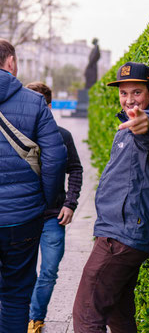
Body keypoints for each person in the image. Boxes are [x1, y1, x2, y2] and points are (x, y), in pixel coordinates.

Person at [73, 62, 149, 333]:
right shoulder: (124, 125)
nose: (129, 100)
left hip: (122, 235)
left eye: (137, 92)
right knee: (119, 316)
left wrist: (146, 122)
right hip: (120, 230)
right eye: (124, 93)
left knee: (86, 314)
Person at [0, 39, 67, 333]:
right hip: (22, 218)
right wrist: (43, 201)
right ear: (11, 62)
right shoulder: (34, 102)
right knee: (16, 294)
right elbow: (56, 158)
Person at [25, 82, 83, 333]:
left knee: (48, 272)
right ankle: (24, 317)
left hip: (53, 218)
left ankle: (35, 319)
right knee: (22, 273)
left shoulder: (63, 136)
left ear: (49, 106)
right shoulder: (16, 136)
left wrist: (70, 204)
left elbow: (76, 170)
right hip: (23, 217)